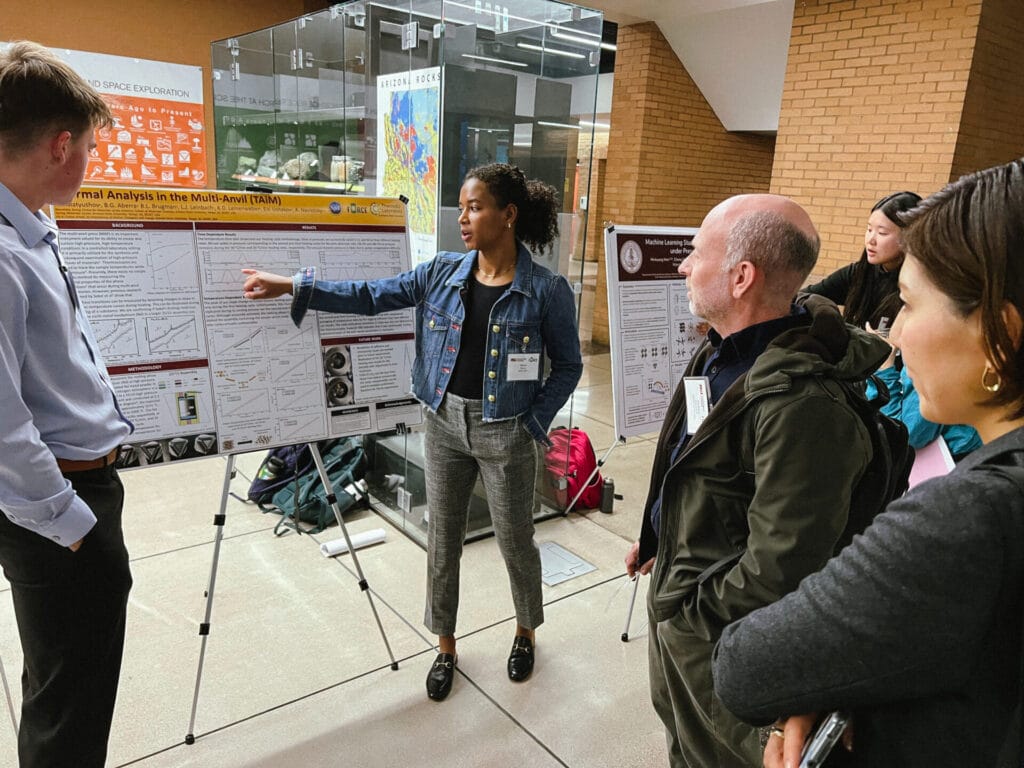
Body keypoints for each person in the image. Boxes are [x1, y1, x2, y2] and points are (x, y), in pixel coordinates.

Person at [712, 158, 1024, 768]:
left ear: (1000, 336)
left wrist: (823, 678)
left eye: (908, 304)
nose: (898, 336)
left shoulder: (970, 515)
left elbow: (744, 667)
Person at [242, 162, 582, 702]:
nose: (464, 219)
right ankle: (445, 645)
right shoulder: (442, 272)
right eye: (462, 207)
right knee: (443, 542)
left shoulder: (545, 291)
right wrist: (292, 286)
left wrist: (532, 425)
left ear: (508, 215)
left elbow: (568, 366)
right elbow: (370, 294)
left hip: (506, 433)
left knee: (517, 542)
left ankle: (524, 631)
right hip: (443, 423)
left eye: (475, 207)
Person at [624, 193, 890, 767]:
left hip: (724, 642)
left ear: (742, 276)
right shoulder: (720, 354)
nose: (684, 266)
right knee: (680, 739)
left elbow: (783, 565)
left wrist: (686, 606)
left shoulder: (803, 406)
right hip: (685, 605)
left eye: (696, 253)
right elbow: (689, 460)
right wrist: (658, 538)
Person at [0, 42, 134, 767]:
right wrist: (70, 524)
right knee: (69, 704)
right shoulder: (2, 254)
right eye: (87, 145)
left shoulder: (31, 227)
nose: (89, 158)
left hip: (78, 492)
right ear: (59, 145)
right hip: (59, 506)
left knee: (64, 682)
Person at [866, 309, 981, 460]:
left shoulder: (936, 354)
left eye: (908, 305)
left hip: (951, 463)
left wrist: (884, 371)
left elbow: (903, 435)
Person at [804, 190, 922, 331]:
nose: (871, 240)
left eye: (882, 233)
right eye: (869, 229)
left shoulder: (922, 288)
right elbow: (803, 297)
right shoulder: (859, 273)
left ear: (910, 236)